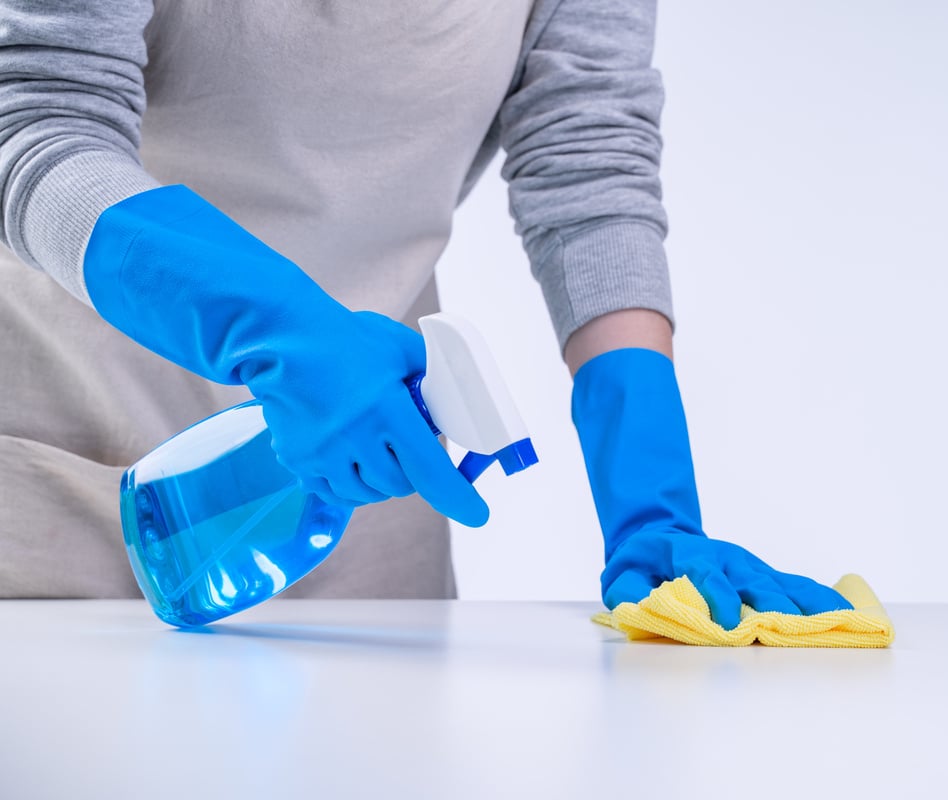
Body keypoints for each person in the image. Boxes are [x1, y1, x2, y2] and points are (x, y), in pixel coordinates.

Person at [0, 0, 851, 628]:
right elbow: (36, 123)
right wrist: (276, 325)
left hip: (366, 502)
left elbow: (590, 171)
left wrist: (650, 501)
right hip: (68, 477)